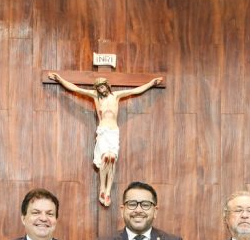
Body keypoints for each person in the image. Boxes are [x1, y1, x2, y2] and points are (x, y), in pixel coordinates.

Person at [47, 73, 163, 207]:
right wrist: (60, 79)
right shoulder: (96, 97)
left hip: (113, 132)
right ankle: (102, 188)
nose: (101, 89)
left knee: (112, 159)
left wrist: (151, 83)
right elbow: (76, 89)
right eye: (99, 88)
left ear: (107, 86)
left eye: (103, 86)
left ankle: (107, 191)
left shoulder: (116, 96)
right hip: (103, 131)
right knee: (105, 158)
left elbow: (135, 90)